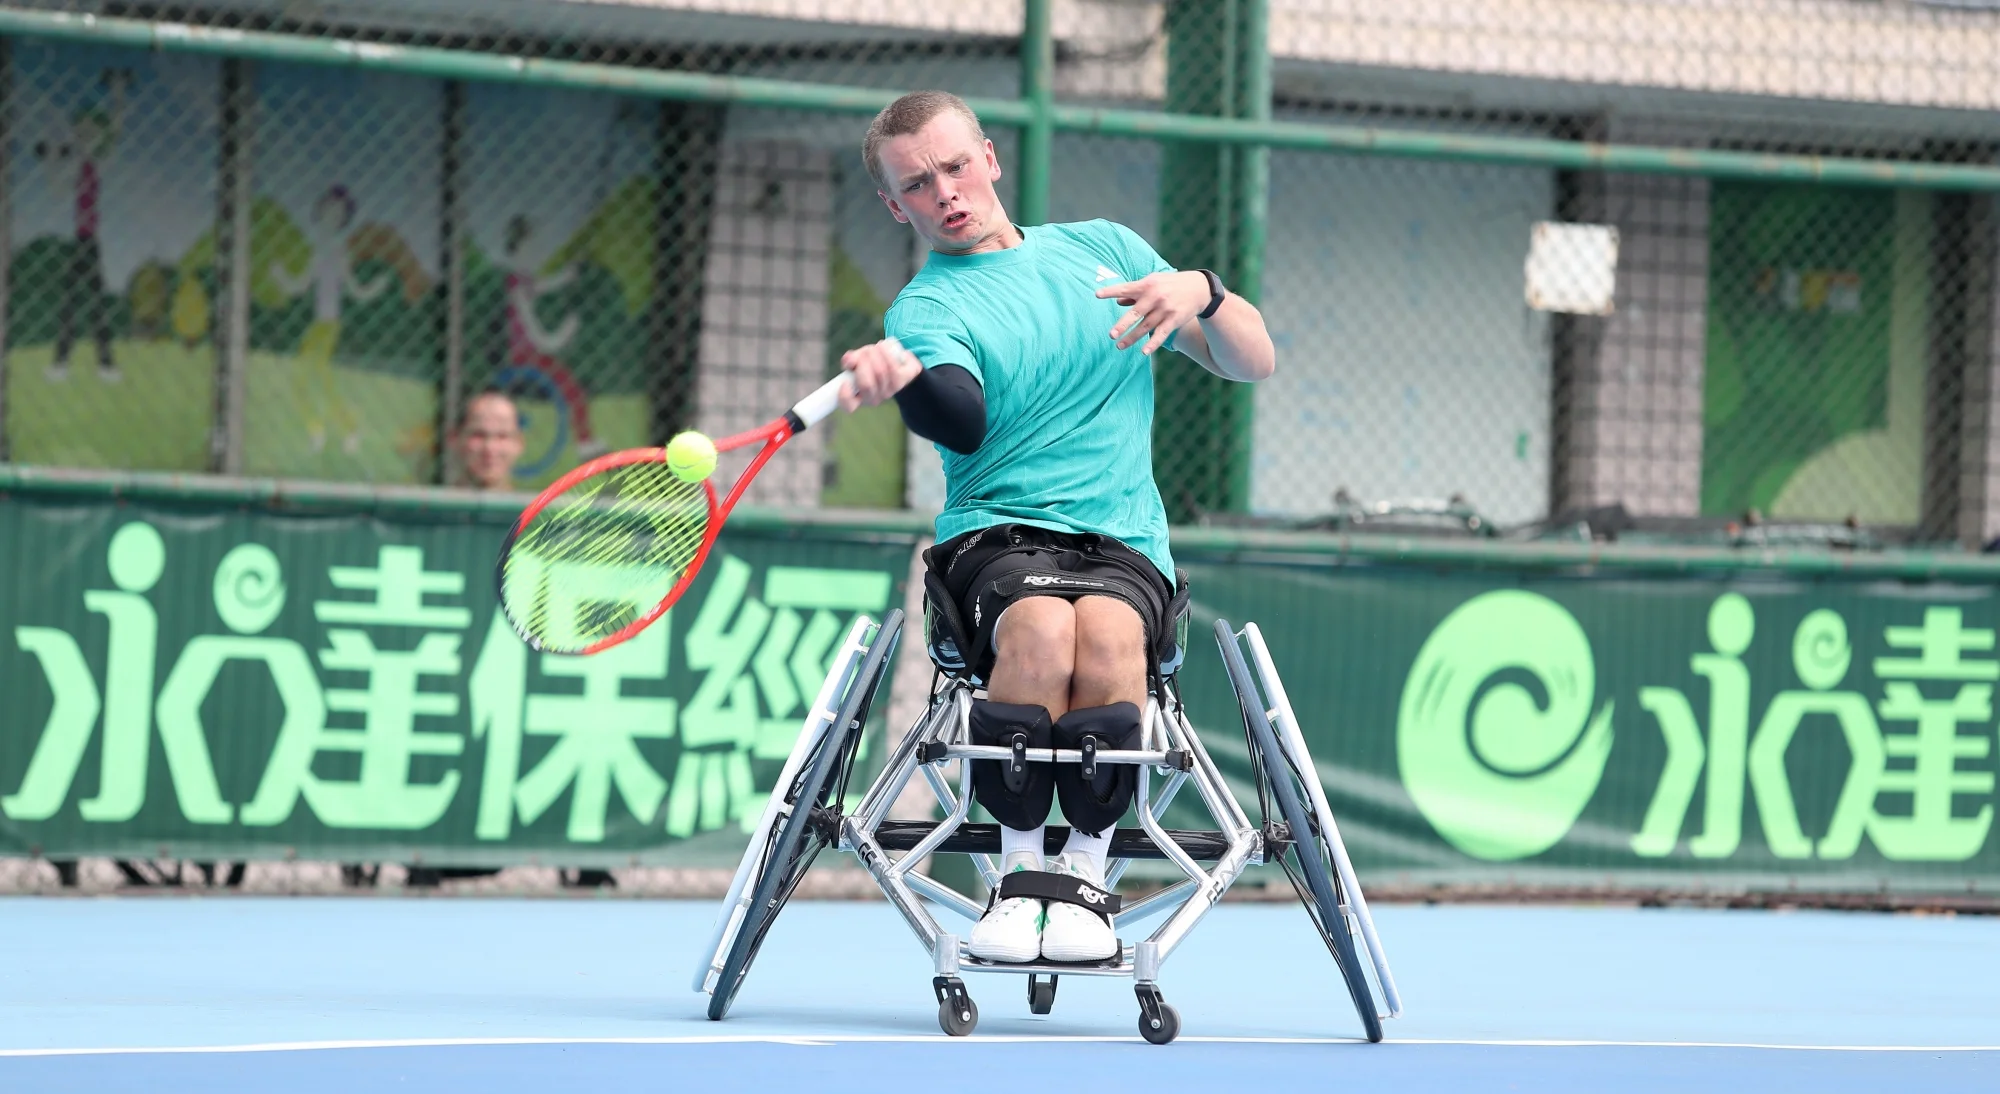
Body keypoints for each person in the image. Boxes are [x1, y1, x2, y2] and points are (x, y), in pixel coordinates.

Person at [837, 91, 1276, 964]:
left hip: (1122, 546)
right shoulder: (925, 311)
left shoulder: (1104, 251)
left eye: (955, 167)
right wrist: (908, 381)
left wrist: (1203, 291)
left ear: (990, 159)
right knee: (1040, 629)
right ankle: (1017, 875)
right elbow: (961, 418)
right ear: (894, 206)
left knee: (1109, 639)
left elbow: (1251, 360)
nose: (945, 192)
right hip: (995, 541)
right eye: (918, 184)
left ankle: (1081, 877)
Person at [455, 388, 526, 491]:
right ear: (455, 439)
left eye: (502, 436)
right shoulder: (432, 500)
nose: (490, 448)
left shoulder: (534, 501)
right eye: (479, 435)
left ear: (519, 443)